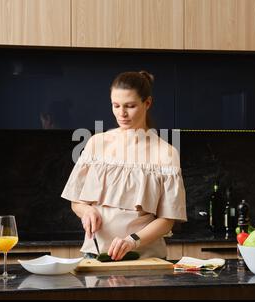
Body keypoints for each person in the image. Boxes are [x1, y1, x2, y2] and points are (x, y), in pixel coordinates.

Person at [61, 71, 187, 260]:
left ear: (147, 103)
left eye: (130, 106)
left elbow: (167, 220)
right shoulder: (96, 143)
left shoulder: (166, 153)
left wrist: (132, 241)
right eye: (116, 105)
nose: (122, 113)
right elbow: (76, 201)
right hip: (95, 255)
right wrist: (86, 210)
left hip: (145, 259)